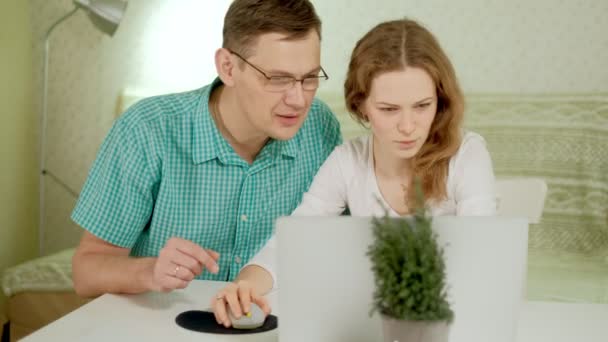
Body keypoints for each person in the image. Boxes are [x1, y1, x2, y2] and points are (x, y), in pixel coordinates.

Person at [211, 18, 497, 327]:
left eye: (422, 106)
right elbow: (294, 239)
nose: (407, 126)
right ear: (362, 106)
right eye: (389, 109)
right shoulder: (347, 162)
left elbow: (480, 259)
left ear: (439, 102)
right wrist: (247, 286)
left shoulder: (467, 155)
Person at [70, 0, 342, 298]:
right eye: (278, 79)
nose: (299, 100)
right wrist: (150, 271)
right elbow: (86, 271)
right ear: (228, 67)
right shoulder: (147, 129)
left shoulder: (320, 128)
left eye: (310, 78)